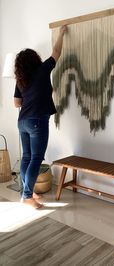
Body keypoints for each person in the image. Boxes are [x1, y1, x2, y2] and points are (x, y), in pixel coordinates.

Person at [14, 25, 67, 209]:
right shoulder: (42, 70)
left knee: (27, 157)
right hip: (37, 121)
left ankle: (26, 193)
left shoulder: (20, 80)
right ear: (35, 60)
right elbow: (57, 51)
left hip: (22, 122)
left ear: (20, 66)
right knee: (36, 158)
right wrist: (61, 33)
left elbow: (16, 103)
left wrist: (29, 98)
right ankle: (27, 196)